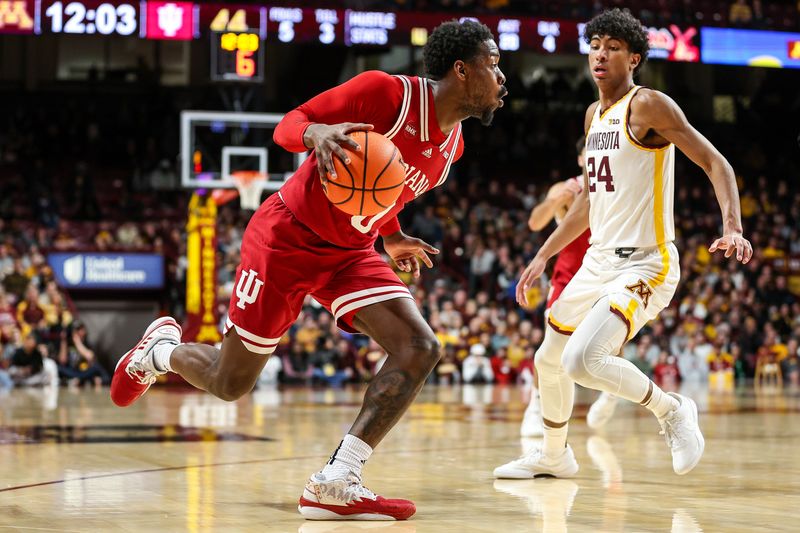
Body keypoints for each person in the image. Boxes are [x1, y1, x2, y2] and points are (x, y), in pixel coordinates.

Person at [110, 20, 507, 520]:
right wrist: (314, 131)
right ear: (462, 70)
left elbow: (380, 191)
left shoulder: (453, 149)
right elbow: (288, 124)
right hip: (287, 239)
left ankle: (337, 480)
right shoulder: (386, 93)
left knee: (420, 347)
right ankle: (160, 352)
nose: (501, 77)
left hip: (351, 252)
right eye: (493, 64)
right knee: (230, 383)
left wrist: (391, 234)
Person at [495, 8, 751, 480]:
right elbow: (589, 199)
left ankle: (671, 409)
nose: (600, 54)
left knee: (582, 360)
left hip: (645, 263)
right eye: (595, 45)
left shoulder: (649, 104)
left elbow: (717, 163)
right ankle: (554, 455)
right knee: (547, 358)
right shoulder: (594, 114)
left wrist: (731, 225)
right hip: (596, 262)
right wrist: (542, 254)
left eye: (612, 47)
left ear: (633, 58)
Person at [519, 137, 619, 438]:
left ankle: (610, 394)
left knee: (610, 339)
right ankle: (536, 406)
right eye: (589, 153)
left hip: (605, 266)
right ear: (580, 159)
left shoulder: (615, 183)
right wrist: (555, 200)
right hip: (569, 270)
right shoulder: (567, 187)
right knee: (551, 343)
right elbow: (535, 224)